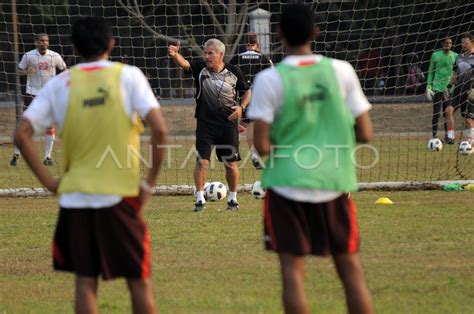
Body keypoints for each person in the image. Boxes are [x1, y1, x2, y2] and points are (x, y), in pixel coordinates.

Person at [14, 16, 167, 314]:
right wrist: (148, 183)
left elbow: (21, 134)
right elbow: (160, 130)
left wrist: (51, 183)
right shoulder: (130, 76)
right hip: (120, 195)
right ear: (111, 43)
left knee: (85, 282)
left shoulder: (59, 85)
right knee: (138, 280)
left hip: (75, 197)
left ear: (73, 48)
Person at [247, 4, 374, 313]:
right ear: (315, 33)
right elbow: (366, 133)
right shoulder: (341, 70)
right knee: (351, 272)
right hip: (333, 182)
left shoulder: (268, 79)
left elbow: (261, 144)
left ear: (278, 35)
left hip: (286, 186)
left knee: (293, 275)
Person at [168, 38, 251, 212]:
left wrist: (241, 108)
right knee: (202, 162)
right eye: (205, 53)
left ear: (221, 54)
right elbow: (185, 65)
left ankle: (233, 200)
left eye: (210, 53)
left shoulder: (234, 72)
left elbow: (247, 91)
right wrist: (176, 55)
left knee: (230, 163)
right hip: (205, 124)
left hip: (227, 125)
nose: (206, 56)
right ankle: (199, 199)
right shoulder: (200, 69)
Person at [10, 33, 67, 166]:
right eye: (42, 40)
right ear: (36, 42)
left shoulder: (54, 56)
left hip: (49, 95)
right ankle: (16, 154)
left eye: (46, 40)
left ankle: (47, 157)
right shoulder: (29, 55)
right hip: (31, 93)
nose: (44, 43)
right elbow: (18, 70)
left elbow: (64, 71)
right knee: (25, 125)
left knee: (50, 125)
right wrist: (26, 72)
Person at [229, 32, 273, 170]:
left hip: (242, 96)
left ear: (245, 43)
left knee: (248, 124)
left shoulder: (236, 58)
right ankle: (257, 154)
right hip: (259, 95)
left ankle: (254, 153)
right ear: (257, 43)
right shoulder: (264, 58)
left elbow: (228, 75)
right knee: (256, 125)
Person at [426, 38, 458, 144]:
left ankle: (448, 137)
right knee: (436, 113)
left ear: (452, 45)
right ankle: (434, 136)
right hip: (437, 88)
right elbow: (431, 72)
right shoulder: (435, 55)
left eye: (450, 43)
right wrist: (428, 87)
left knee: (448, 113)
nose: (448, 44)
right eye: (446, 43)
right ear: (442, 44)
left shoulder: (455, 56)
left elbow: (456, 73)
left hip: (449, 89)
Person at [451, 33, 474, 145]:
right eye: (462, 42)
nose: (463, 45)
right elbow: (455, 75)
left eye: (466, 42)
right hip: (458, 90)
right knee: (450, 111)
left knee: (469, 119)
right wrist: (449, 86)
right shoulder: (459, 57)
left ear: (472, 42)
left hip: (471, 90)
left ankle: (470, 141)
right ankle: (451, 137)